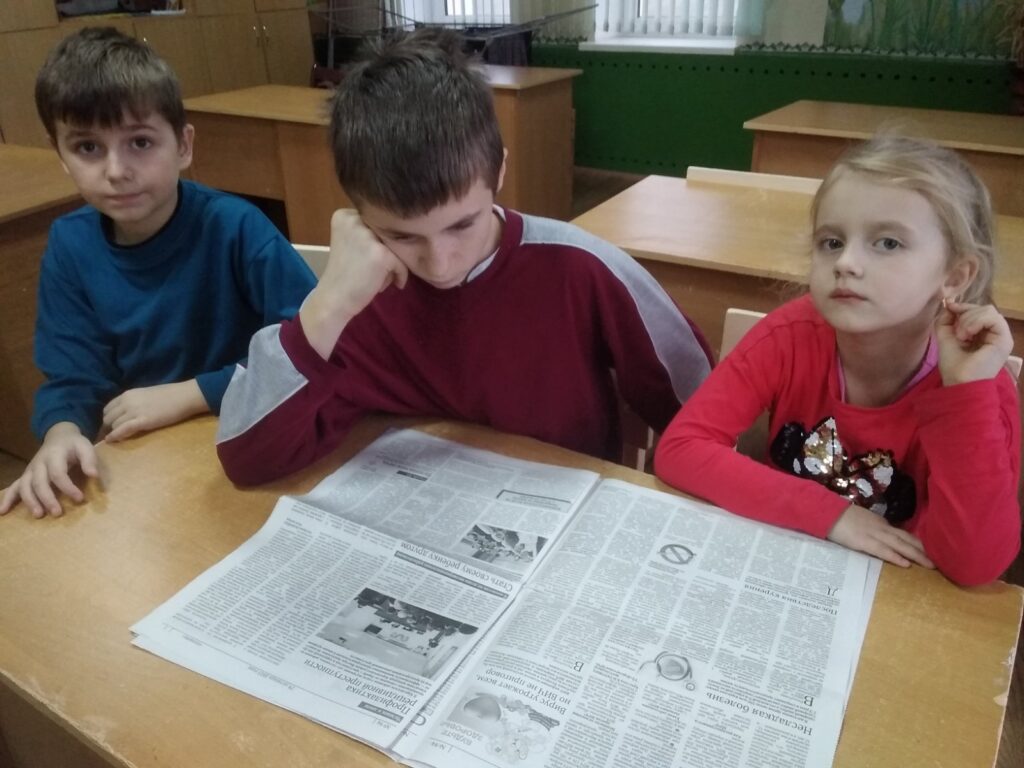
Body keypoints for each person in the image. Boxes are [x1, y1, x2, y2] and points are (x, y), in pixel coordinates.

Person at [215, 29, 712, 485]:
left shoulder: (582, 268)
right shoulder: (358, 296)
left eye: (461, 225)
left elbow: (705, 417)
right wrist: (328, 304)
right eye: (402, 236)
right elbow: (246, 457)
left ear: (499, 172)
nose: (441, 264)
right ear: (357, 211)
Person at [654, 135, 1020, 587]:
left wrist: (966, 395)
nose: (846, 262)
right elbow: (680, 449)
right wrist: (831, 514)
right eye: (831, 242)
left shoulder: (981, 386)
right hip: (781, 564)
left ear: (955, 276)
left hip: (898, 593)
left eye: (888, 243)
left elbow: (975, 566)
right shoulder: (790, 335)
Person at [0, 27, 317, 519]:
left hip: (249, 434)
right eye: (88, 148)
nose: (116, 170)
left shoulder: (235, 226)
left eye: (141, 142)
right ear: (60, 155)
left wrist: (195, 393)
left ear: (184, 145)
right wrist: (61, 431)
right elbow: (72, 375)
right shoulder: (70, 244)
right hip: (148, 460)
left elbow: (309, 341)